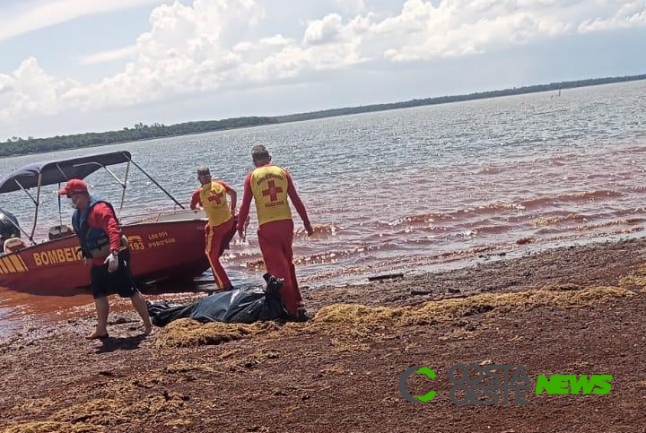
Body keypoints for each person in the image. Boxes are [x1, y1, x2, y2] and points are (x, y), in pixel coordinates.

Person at [58, 178, 152, 339]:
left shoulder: (100, 209)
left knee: (130, 290)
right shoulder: (77, 215)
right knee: (98, 293)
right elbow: (82, 236)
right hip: (97, 260)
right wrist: (86, 255)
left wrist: (114, 253)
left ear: (80, 195)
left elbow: (113, 230)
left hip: (115, 255)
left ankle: (147, 325)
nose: (70, 200)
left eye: (71, 196)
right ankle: (101, 328)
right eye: (68, 197)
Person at [236, 145, 314, 321]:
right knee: (287, 262)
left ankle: (292, 310)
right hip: (286, 224)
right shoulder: (282, 172)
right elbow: (296, 199)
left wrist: (240, 226)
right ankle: (298, 300)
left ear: (254, 161)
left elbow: (245, 205)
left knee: (277, 269)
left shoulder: (251, 177)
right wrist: (307, 223)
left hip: (267, 226)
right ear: (269, 158)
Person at [189, 166, 237, 291]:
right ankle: (221, 278)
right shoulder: (220, 184)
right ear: (210, 176)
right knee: (207, 229)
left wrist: (202, 208)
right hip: (229, 221)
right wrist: (233, 209)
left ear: (199, 178)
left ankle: (224, 285)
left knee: (210, 255)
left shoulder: (198, 193)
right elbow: (234, 193)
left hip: (217, 227)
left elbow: (193, 207)